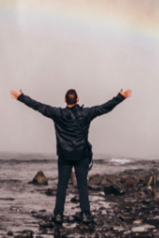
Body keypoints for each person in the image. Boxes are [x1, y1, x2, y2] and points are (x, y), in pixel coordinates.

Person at [11, 87, 131, 226]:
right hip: (81, 155)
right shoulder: (87, 113)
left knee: (62, 185)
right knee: (82, 185)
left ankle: (58, 215)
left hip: (64, 156)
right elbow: (104, 108)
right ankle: (85, 214)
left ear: (65, 100)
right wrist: (120, 97)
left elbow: (38, 106)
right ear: (78, 100)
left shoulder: (57, 113)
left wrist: (21, 97)